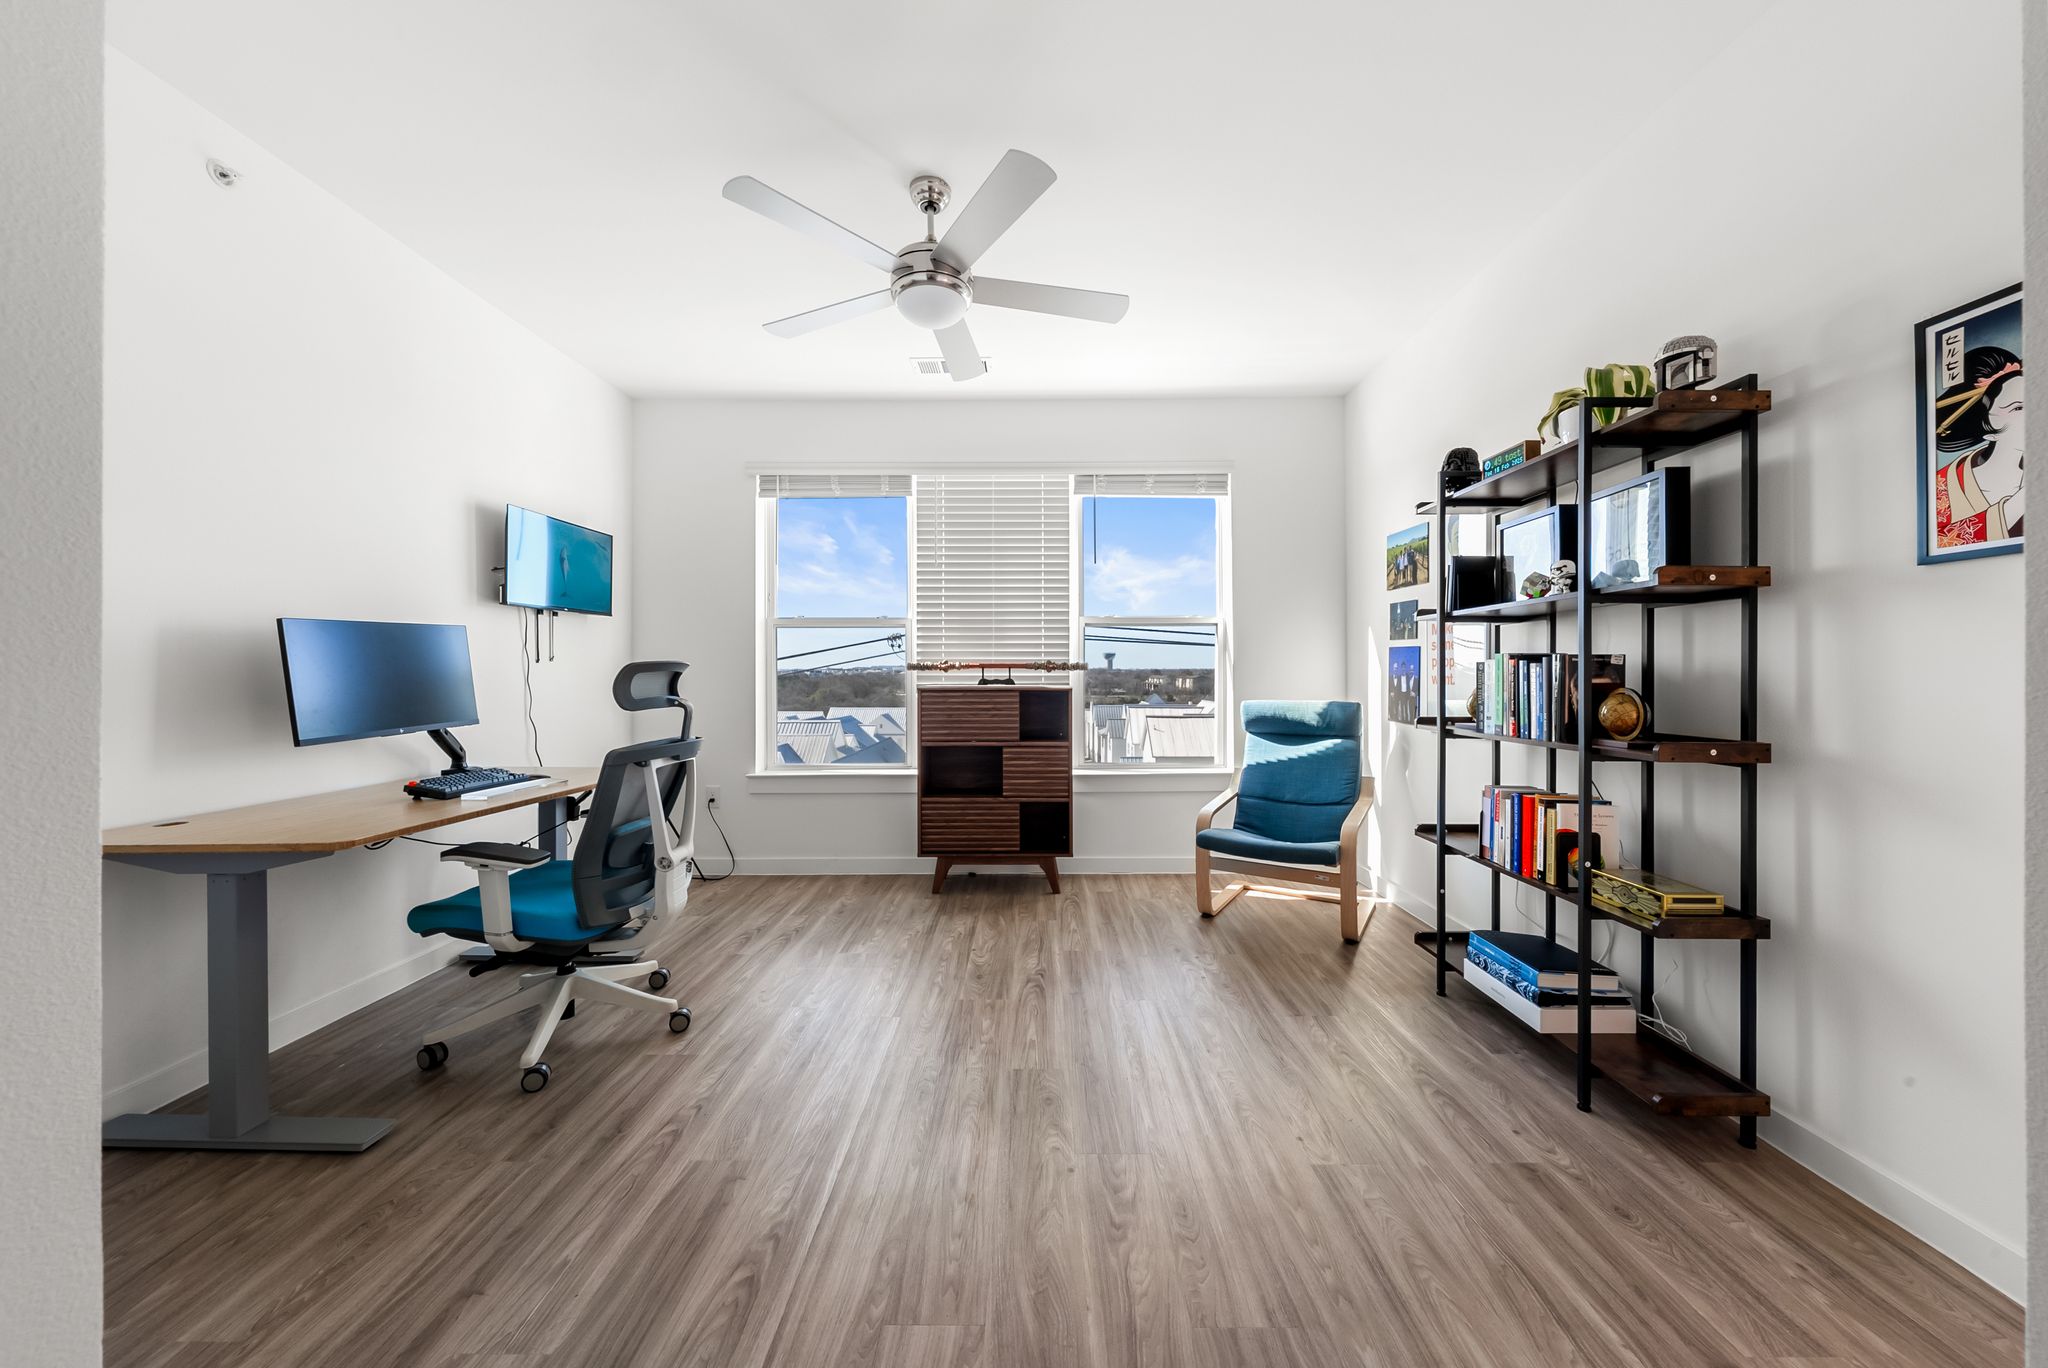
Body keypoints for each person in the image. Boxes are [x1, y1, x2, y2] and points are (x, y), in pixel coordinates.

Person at [1933, 345, 2025, 546]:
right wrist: (2018, 503)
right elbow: (1940, 542)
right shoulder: (1940, 487)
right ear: (1986, 427)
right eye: (2018, 407)